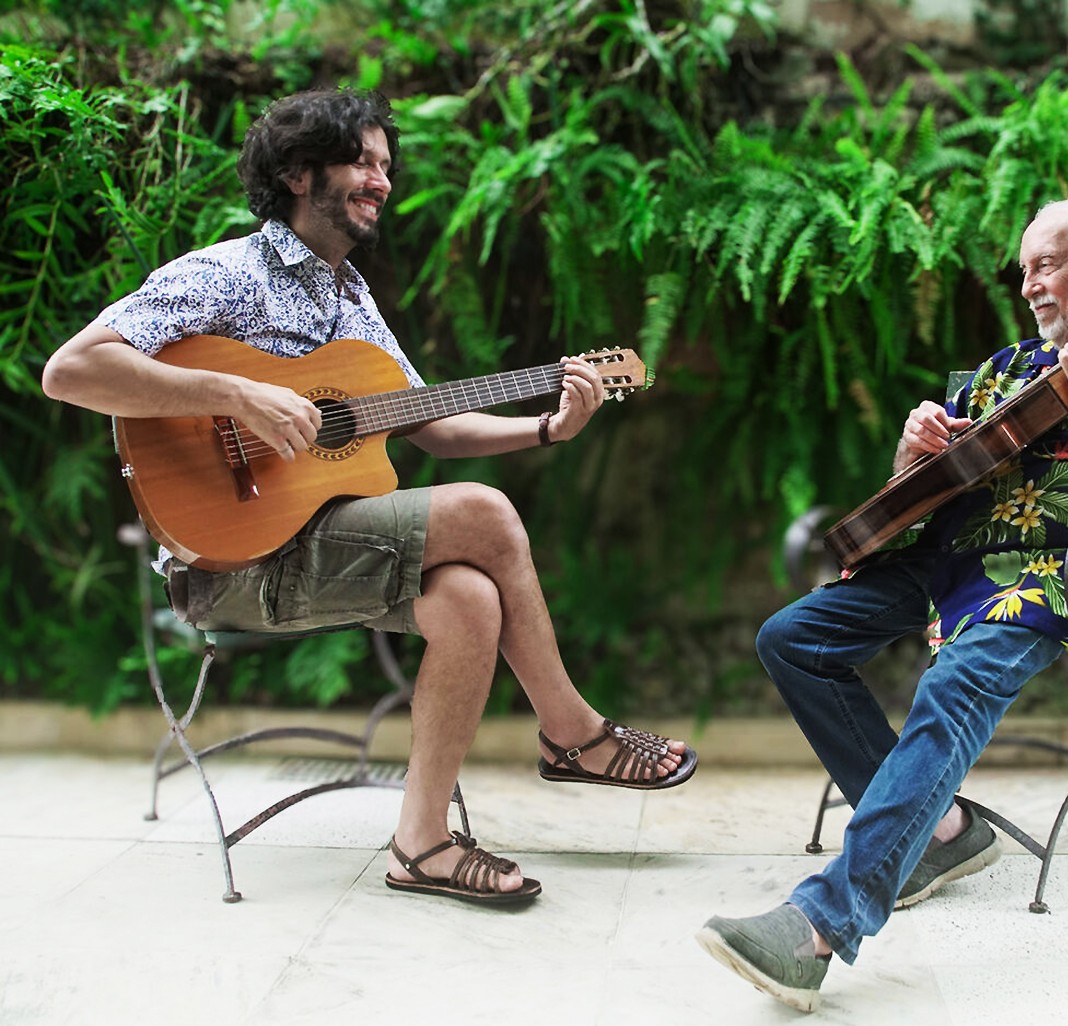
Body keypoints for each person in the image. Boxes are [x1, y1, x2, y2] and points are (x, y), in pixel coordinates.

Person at [42, 87, 697, 907]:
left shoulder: (352, 301)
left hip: (319, 542)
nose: (382, 179)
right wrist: (239, 396)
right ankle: (573, 733)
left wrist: (546, 429)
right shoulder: (224, 272)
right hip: (236, 561)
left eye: (386, 165)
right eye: (362, 160)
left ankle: (419, 845)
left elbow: (434, 424)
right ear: (296, 172)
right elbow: (69, 371)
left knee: (466, 600)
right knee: (485, 513)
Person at [696, 198, 1068, 1010]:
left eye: (1046, 265)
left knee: (948, 690)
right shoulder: (1000, 372)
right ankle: (942, 834)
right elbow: (916, 501)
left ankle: (820, 928)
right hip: (938, 562)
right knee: (790, 637)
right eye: (1024, 271)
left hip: (1045, 578)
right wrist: (909, 457)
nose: (1030, 286)